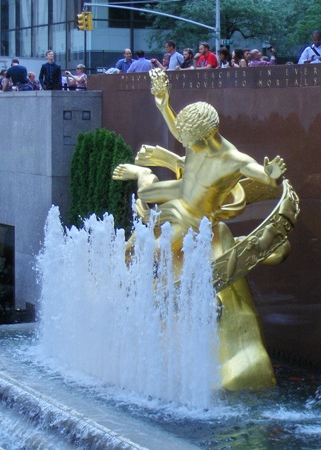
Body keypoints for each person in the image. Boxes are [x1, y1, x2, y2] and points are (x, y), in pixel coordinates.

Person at [112, 68, 285, 390]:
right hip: (178, 194)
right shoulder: (195, 143)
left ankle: (195, 299)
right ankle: (141, 173)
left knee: (157, 253)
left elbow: (259, 174)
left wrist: (270, 175)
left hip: (193, 219)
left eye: (189, 140)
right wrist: (163, 102)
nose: (184, 143)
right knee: (146, 192)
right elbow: (178, 129)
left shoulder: (233, 159)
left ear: (206, 135)